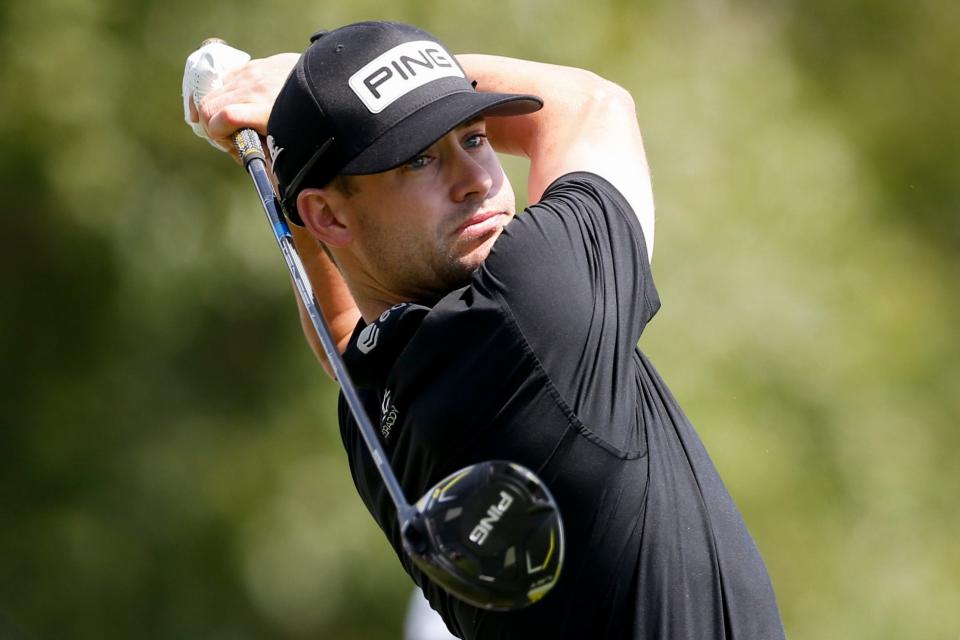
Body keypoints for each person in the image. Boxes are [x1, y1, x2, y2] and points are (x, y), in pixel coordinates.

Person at [193, 20, 785, 639]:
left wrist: (295, 144)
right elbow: (591, 106)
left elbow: (344, 337)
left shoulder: (376, 425)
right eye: (419, 158)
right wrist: (296, 94)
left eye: (475, 137)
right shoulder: (530, 302)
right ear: (330, 214)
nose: (476, 178)